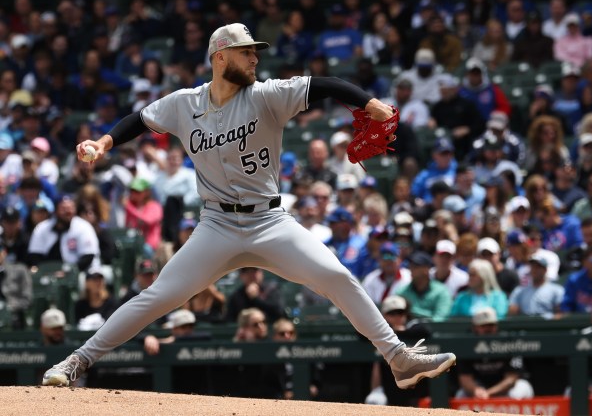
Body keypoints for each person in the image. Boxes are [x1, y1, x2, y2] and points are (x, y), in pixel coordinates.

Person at [42, 22, 456, 389]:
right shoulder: (185, 102)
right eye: (247, 51)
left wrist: (369, 103)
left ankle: (398, 358)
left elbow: (325, 84)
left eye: (256, 50)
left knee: (336, 276)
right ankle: (77, 360)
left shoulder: (267, 95)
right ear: (220, 57)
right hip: (216, 225)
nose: (255, 57)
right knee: (158, 297)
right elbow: (140, 119)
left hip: (270, 221)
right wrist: (103, 143)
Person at [456, 307, 534, 399]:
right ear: (474, 328)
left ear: (496, 326)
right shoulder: (467, 345)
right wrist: (476, 390)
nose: (488, 329)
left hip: (507, 387)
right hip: (481, 386)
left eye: (491, 325)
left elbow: (511, 379)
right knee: (461, 395)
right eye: (483, 325)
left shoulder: (508, 343)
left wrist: (489, 393)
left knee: (518, 391)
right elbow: (465, 378)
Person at [397, 251, 452, 322]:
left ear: (426, 269)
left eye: (415, 266)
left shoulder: (441, 291)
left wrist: (413, 314)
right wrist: (429, 315)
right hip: (409, 331)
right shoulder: (402, 292)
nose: (411, 269)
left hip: (434, 332)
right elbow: (396, 316)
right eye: (410, 266)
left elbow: (441, 318)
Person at [508, 253, 564, 317]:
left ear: (545, 270)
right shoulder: (519, 291)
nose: (534, 270)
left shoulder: (556, 290)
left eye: (538, 267)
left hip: (548, 325)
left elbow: (560, 314)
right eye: (532, 266)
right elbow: (512, 313)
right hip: (525, 325)